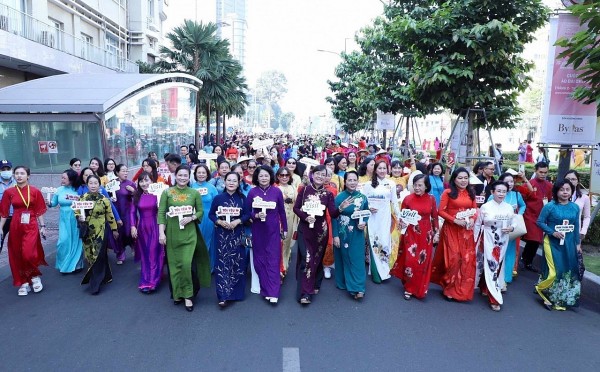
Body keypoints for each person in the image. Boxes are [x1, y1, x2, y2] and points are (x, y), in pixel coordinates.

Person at [293, 165, 350, 304]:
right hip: (305, 230)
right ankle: (306, 293)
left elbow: (333, 213)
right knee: (307, 259)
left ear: (326, 177)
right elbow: (296, 208)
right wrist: (306, 217)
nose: (319, 176)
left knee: (317, 259)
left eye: (323, 174)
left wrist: (341, 208)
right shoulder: (304, 190)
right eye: (317, 173)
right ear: (312, 174)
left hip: (320, 232)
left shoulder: (329, 194)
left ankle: (316, 283)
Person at [158, 166, 210, 312]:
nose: (182, 178)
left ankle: (188, 295)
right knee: (174, 267)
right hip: (173, 233)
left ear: (189, 177)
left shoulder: (194, 193)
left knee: (186, 264)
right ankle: (177, 294)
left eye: (185, 175)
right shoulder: (167, 192)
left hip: (189, 234)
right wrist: (162, 233)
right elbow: (161, 213)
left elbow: (200, 212)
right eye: (180, 175)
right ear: (175, 176)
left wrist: (191, 218)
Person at [430, 167, 478, 302]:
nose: (463, 181)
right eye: (460, 178)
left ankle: (461, 290)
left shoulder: (471, 192)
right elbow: (441, 211)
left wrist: (472, 220)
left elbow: (475, 210)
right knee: (453, 259)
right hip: (451, 230)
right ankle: (448, 287)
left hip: (466, 231)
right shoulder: (448, 192)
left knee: (466, 260)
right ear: (454, 179)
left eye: (465, 178)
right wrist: (455, 220)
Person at [0, 166, 48, 296]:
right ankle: (24, 281)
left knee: (28, 253)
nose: (19, 176)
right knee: (17, 254)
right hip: (15, 224)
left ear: (28, 176)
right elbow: (4, 213)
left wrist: (43, 226)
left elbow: (39, 211)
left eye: (22, 173)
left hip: (31, 224)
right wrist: (0, 228)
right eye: (17, 173)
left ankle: (34, 276)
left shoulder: (35, 191)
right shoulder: (9, 192)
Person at [391, 174, 439, 300]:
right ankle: (409, 287)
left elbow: (434, 217)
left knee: (422, 262)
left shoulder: (431, 199)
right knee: (410, 260)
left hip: (426, 234)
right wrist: (402, 224)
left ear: (426, 186)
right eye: (415, 185)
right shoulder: (408, 199)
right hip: (410, 233)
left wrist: (436, 233)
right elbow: (401, 217)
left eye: (420, 185)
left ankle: (419, 287)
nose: (417, 188)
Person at [535, 180, 581, 311]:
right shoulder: (550, 206)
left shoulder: (575, 207)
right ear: (556, 191)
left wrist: (577, 244)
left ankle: (559, 298)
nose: (565, 192)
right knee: (554, 271)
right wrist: (552, 232)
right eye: (562, 189)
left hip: (569, 243)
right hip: (552, 243)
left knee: (567, 270)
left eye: (568, 189)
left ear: (572, 191)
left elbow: (576, 226)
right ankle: (541, 289)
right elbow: (540, 222)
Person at [246, 165, 288, 304]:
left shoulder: (276, 191)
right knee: (260, 261)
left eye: (266, 175)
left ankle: (274, 292)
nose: (264, 178)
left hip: (273, 231)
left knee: (273, 259)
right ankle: (266, 290)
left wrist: (285, 229)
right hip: (258, 230)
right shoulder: (252, 192)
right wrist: (256, 215)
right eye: (261, 176)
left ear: (271, 177)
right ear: (256, 178)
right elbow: (246, 213)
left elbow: (282, 211)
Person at [209, 171, 250, 307]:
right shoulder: (218, 198)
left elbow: (247, 215)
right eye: (229, 180)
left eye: (234, 181)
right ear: (224, 181)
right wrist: (219, 222)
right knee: (222, 263)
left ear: (239, 183)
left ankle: (235, 294)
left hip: (237, 234)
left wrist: (238, 221)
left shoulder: (243, 198)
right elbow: (211, 214)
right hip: (221, 235)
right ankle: (222, 295)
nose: (231, 183)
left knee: (237, 263)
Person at [474, 181, 516, 311]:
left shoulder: (509, 207)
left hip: (502, 240)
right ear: (492, 192)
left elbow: (514, 221)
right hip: (487, 238)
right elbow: (477, 224)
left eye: (504, 191)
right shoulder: (485, 207)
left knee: (496, 266)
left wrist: (511, 227)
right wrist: (474, 241)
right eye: (499, 191)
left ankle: (484, 287)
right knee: (491, 265)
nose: (501, 194)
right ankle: (494, 298)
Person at [76, 175, 119, 295]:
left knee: (99, 255)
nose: (93, 185)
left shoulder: (104, 199)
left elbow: (110, 215)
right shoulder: (82, 198)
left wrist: (114, 229)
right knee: (90, 255)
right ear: (87, 184)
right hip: (88, 232)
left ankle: (95, 284)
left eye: (96, 183)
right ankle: (106, 276)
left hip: (101, 230)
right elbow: (76, 211)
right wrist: (78, 217)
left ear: (99, 185)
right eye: (91, 183)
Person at [332, 171, 369, 299]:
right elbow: (334, 217)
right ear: (345, 182)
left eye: (355, 180)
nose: (352, 182)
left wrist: (364, 223)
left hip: (357, 232)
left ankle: (358, 287)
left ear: (358, 181)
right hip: (343, 232)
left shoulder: (363, 198)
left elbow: (366, 214)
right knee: (344, 257)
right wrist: (335, 235)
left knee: (357, 259)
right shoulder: (339, 198)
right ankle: (343, 282)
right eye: (350, 180)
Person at [363, 160, 401, 282]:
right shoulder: (368, 184)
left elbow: (394, 203)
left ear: (387, 169)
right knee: (374, 242)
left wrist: (400, 218)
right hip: (372, 218)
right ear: (375, 170)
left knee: (385, 242)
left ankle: (384, 270)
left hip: (385, 218)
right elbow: (363, 201)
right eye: (380, 168)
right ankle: (376, 273)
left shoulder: (391, 184)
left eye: (384, 168)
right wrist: (368, 208)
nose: (382, 171)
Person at [130, 172, 164, 293]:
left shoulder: (158, 194)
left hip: (156, 226)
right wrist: (133, 226)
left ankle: (153, 281)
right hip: (142, 228)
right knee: (145, 255)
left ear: (152, 181)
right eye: (141, 181)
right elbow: (132, 212)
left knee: (153, 253)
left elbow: (163, 211)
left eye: (147, 180)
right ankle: (145, 279)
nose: (144, 183)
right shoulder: (136, 195)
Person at [492, 172, 526, 287]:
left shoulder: (517, 195)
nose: (510, 184)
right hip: (495, 229)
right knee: (496, 252)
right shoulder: (495, 194)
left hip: (511, 229)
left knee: (510, 252)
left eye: (512, 181)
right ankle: (493, 275)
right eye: (507, 181)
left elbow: (523, 205)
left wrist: (518, 215)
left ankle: (506, 278)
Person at [48, 169, 84, 274]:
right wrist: (49, 203)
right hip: (64, 219)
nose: (62, 179)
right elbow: (54, 203)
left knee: (76, 241)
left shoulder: (78, 190)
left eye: (64, 178)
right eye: (62, 177)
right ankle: (63, 264)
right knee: (63, 241)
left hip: (76, 218)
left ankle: (77, 265)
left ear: (71, 179)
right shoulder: (59, 190)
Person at [519, 162, 553, 272]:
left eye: (545, 172)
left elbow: (550, 200)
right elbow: (522, 199)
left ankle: (527, 260)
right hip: (530, 216)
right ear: (535, 171)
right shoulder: (530, 183)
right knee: (533, 239)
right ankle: (526, 260)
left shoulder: (549, 185)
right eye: (540, 172)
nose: (543, 174)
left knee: (536, 241)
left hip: (541, 217)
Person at [190, 164, 219, 271]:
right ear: (195, 174)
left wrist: (217, 220)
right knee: (196, 243)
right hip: (194, 218)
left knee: (209, 242)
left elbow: (217, 205)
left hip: (209, 218)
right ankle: (197, 268)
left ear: (207, 174)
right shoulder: (191, 187)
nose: (201, 175)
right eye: (199, 172)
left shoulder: (212, 188)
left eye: (203, 172)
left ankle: (209, 268)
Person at [276, 167, 298, 279]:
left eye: (286, 175)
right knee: (278, 244)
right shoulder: (274, 188)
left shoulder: (293, 188)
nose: (284, 177)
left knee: (287, 243)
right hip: (277, 219)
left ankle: (284, 265)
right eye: (281, 175)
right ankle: (279, 269)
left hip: (290, 219)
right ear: (278, 176)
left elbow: (297, 204)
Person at [112, 164, 136, 265]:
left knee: (129, 231)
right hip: (117, 211)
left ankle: (134, 247)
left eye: (127, 171)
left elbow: (138, 197)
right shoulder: (112, 184)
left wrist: (133, 191)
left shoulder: (131, 183)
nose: (126, 173)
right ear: (117, 172)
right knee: (119, 232)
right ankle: (120, 253)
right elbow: (107, 196)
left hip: (128, 211)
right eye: (123, 171)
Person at [564, 170, 591, 244]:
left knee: (573, 254)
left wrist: (583, 231)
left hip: (575, 232)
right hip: (559, 231)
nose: (570, 181)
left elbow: (587, 217)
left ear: (578, 181)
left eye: (573, 179)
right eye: (568, 179)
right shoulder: (558, 196)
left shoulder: (584, 198)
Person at [0, 159, 16, 252]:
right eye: (3, 169)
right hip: (1, 218)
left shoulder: (18, 181)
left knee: (18, 245)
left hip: (16, 217)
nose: (6, 171)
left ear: (11, 169)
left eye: (8, 168)